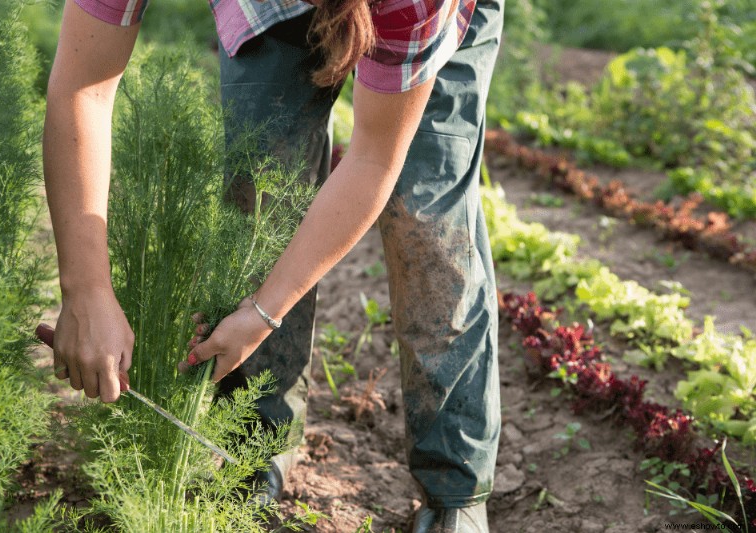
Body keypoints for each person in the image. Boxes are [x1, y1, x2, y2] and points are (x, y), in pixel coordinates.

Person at [43, 0, 504, 530]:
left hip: (425, 17)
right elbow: (83, 85)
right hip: (269, 11)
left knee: (424, 211)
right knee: (259, 183)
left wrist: (265, 311)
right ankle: (256, 443)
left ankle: (455, 484)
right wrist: (87, 290)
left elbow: (375, 156)